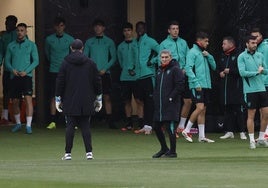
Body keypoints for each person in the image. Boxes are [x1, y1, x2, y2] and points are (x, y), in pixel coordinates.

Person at [55, 39, 102, 160]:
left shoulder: (65, 62)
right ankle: (89, 152)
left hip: (70, 99)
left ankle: (68, 153)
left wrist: (58, 97)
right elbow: (97, 80)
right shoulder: (90, 63)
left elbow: (60, 81)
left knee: (70, 126)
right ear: (82, 48)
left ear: (71, 48)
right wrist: (98, 96)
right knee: (86, 126)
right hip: (87, 98)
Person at [158, 20, 191, 137]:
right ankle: (168, 126)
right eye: (173, 29)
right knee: (172, 101)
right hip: (171, 76)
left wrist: (186, 69)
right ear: (169, 30)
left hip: (183, 74)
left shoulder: (183, 42)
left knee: (188, 101)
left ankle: (180, 127)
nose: (175, 31)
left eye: (177, 28)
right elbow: (160, 60)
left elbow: (189, 58)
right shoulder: (164, 43)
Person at [5, 23, 39, 134]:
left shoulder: (32, 45)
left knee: (28, 99)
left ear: (26, 32)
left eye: (22, 30)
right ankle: (18, 123)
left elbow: (36, 61)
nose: (20, 32)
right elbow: (7, 62)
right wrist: (12, 70)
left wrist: (27, 71)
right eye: (18, 30)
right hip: (14, 76)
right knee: (15, 101)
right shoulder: (11, 45)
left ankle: (28, 126)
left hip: (27, 76)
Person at [182, 31, 216, 143]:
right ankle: (186, 130)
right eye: (205, 41)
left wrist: (209, 56)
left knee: (203, 110)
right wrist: (196, 83)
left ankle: (202, 136)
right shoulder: (192, 52)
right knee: (200, 107)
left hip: (206, 85)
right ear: (199, 41)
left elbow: (214, 67)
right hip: (197, 85)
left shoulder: (204, 53)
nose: (207, 43)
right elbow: (188, 69)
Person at [84, 19, 117, 129]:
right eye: (96, 26)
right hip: (92, 74)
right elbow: (85, 57)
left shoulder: (109, 41)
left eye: (100, 26)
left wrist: (105, 69)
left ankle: (110, 120)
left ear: (103, 28)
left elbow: (113, 58)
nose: (98, 28)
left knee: (106, 97)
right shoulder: (89, 42)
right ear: (94, 28)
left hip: (105, 73)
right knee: (91, 96)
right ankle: (90, 119)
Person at [152, 50, 184, 158]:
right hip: (160, 105)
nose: (164, 59)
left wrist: (171, 97)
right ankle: (164, 148)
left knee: (170, 127)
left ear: (170, 57)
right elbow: (156, 87)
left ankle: (173, 151)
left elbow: (180, 85)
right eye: (162, 57)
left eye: (166, 57)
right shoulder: (160, 70)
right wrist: (155, 98)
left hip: (171, 105)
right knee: (156, 126)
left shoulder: (175, 69)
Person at [237, 35, 268, 149]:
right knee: (251, 115)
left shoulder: (260, 55)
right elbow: (242, 73)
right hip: (250, 90)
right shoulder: (242, 57)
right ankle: (251, 140)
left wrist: (263, 70)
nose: (254, 45)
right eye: (252, 43)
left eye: (255, 43)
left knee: (266, 114)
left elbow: (266, 70)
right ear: (247, 44)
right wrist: (256, 72)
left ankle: (260, 139)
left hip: (262, 89)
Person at [45, 16, 74, 129]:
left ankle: (70, 121)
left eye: (61, 25)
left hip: (67, 71)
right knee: (54, 96)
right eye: (57, 26)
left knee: (68, 96)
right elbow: (47, 54)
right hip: (53, 71)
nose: (59, 28)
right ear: (54, 27)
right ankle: (53, 121)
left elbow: (72, 55)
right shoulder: (49, 39)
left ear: (64, 26)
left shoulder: (70, 39)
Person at [218, 36, 247, 140]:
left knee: (239, 111)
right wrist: (220, 73)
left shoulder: (239, 55)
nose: (222, 46)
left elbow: (241, 71)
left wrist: (230, 71)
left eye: (224, 44)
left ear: (230, 44)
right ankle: (229, 131)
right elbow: (219, 69)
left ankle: (242, 132)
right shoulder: (222, 56)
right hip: (225, 90)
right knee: (228, 111)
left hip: (236, 89)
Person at [134, 21, 159, 134]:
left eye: (141, 28)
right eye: (138, 28)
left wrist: (152, 61)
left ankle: (149, 125)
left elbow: (161, 52)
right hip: (138, 76)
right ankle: (144, 124)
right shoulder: (135, 42)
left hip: (148, 75)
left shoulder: (150, 41)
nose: (140, 30)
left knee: (149, 101)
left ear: (145, 29)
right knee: (140, 100)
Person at [117, 22, 141, 131]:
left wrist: (134, 70)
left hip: (136, 77)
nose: (127, 32)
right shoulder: (120, 46)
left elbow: (139, 59)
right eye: (125, 31)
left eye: (129, 30)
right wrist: (126, 69)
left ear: (132, 31)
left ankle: (141, 122)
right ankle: (129, 122)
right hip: (124, 77)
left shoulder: (137, 43)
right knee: (127, 101)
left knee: (139, 100)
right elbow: (120, 61)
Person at [250, 27, 268, 140]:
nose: (255, 39)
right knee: (262, 110)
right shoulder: (256, 48)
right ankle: (263, 135)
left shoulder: (265, 48)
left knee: (265, 110)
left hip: (265, 82)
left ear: (261, 36)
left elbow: (264, 66)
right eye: (253, 37)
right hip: (260, 83)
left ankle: (265, 134)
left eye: (256, 36)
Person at [0, 15, 18, 125]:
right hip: (7, 69)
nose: (6, 25)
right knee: (6, 92)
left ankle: (18, 118)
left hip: (18, 70)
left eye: (9, 23)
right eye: (6, 23)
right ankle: (5, 117)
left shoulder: (19, 35)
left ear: (14, 24)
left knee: (17, 93)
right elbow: (1, 52)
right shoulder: (3, 36)